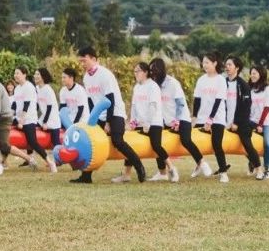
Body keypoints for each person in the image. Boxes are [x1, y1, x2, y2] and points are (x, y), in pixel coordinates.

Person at [79, 47, 145, 183]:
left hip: (115, 112)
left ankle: (139, 166)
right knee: (89, 141)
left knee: (117, 141)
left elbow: (111, 99)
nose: (82, 64)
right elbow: (90, 101)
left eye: (84, 60)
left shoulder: (105, 74)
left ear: (94, 59)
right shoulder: (86, 78)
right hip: (99, 115)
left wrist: (108, 122)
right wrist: (93, 119)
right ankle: (86, 177)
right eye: (81, 61)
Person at [150, 57, 193, 182]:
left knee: (183, 141)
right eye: (151, 71)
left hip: (178, 120)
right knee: (157, 143)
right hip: (164, 121)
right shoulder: (153, 85)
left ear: (161, 70)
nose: (152, 73)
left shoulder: (172, 83)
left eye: (154, 70)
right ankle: (162, 172)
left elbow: (180, 104)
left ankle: (173, 169)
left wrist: (177, 121)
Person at [129, 61, 168, 183]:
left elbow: (153, 106)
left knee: (156, 146)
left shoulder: (153, 86)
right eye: (134, 71)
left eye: (138, 71)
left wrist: (148, 123)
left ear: (145, 72)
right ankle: (126, 173)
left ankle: (170, 169)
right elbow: (134, 106)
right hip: (141, 123)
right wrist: (132, 122)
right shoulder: (136, 87)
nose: (135, 73)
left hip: (154, 122)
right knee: (130, 144)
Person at [193, 52, 229, 181]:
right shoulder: (201, 80)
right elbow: (196, 99)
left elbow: (218, 101)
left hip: (217, 118)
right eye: (203, 62)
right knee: (192, 141)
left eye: (207, 62)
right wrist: (194, 117)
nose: (204, 65)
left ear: (215, 63)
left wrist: (210, 119)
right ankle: (199, 164)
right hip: (202, 117)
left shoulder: (221, 80)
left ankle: (223, 172)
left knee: (216, 144)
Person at [224, 56, 260, 176]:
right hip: (225, 121)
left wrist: (236, 123)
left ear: (237, 68)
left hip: (241, 122)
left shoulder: (243, 85)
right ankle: (222, 168)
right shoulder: (223, 82)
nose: (227, 67)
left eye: (230, 65)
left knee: (247, 146)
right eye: (226, 64)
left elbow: (246, 107)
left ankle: (259, 169)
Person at [9, 66, 44, 171]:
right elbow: (14, 104)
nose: (15, 75)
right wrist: (9, 117)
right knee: (6, 135)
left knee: (33, 142)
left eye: (18, 73)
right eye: (15, 73)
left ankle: (49, 161)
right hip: (19, 117)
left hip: (28, 119)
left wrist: (21, 121)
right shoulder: (17, 88)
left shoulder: (29, 87)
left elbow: (27, 105)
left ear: (24, 74)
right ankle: (3, 161)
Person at [249, 66, 269, 180]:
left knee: (267, 143)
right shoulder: (250, 89)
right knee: (245, 140)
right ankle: (253, 164)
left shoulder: (268, 89)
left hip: (267, 122)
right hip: (253, 120)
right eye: (251, 73)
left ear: (261, 74)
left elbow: (267, 108)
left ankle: (267, 170)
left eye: (255, 73)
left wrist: (260, 124)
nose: (252, 75)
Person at [34, 67, 61, 172]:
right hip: (43, 117)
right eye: (35, 74)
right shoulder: (37, 88)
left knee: (56, 143)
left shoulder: (48, 89)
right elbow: (37, 105)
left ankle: (61, 160)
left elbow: (49, 107)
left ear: (43, 77)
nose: (35, 76)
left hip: (53, 119)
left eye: (38, 74)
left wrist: (45, 122)